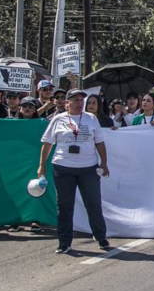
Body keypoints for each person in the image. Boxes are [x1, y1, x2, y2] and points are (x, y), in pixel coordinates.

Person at [38, 89, 110, 254]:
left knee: (93, 204)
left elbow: (100, 142)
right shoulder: (58, 119)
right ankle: (64, 243)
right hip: (63, 168)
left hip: (88, 168)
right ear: (67, 102)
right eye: (76, 100)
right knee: (64, 207)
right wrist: (41, 165)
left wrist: (104, 163)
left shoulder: (91, 119)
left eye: (81, 100)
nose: (80, 103)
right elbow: (47, 143)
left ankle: (101, 237)